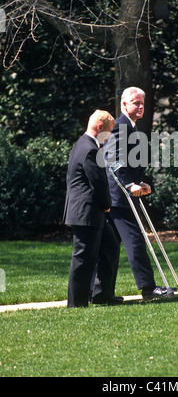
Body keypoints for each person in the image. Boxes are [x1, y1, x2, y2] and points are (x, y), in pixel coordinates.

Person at [105, 87, 167, 299]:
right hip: (119, 197)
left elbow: (129, 163)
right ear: (124, 105)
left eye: (142, 103)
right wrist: (129, 185)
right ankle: (149, 289)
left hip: (121, 194)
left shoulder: (130, 128)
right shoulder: (119, 127)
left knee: (109, 246)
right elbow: (113, 160)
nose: (140, 107)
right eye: (135, 103)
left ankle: (100, 293)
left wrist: (139, 182)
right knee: (135, 240)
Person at [63, 110, 122, 308]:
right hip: (86, 212)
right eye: (108, 132)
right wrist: (107, 205)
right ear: (99, 128)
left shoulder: (81, 144)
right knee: (83, 258)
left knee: (111, 245)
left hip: (88, 211)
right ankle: (77, 303)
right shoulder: (89, 149)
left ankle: (102, 294)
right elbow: (97, 183)